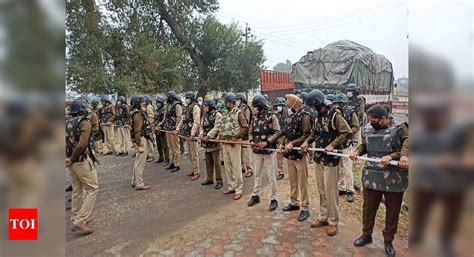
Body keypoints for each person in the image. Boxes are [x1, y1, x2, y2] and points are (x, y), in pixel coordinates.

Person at [350, 105, 408, 257]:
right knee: (368, 207)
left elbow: (407, 145)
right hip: (372, 175)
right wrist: (356, 151)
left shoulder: (400, 128)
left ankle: (388, 240)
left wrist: (395, 157)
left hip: (394, 177)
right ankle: (366, 234)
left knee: (393, 211)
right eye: (370, 120)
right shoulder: (368, 128)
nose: (372, 123)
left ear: (384, 118)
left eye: (375, 120)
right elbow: (364, 144)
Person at [301, 89, 352, 236]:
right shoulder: (317, 116)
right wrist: (306, 142)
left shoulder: (335, 115)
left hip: (331, 159)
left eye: (315, 106)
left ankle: (333, 221)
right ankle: (323, 217)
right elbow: (314, 133)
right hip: (319, 157)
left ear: (320, 103)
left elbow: (346, 132)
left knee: (331, 192)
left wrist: (333, 145)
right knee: (321, 189)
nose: (314, 109)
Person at [66, 99, 99, 234]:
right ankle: (80, 221)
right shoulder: (84, 122)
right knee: (93, 188)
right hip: (80, 160)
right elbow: (82, 143)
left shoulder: (66, 121)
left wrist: (68, 158)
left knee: (77, 190)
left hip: (70, 161)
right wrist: (73, 158)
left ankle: (75, 217)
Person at [279, 94, 311, 222]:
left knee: (303, 182)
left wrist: (293, 143)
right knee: (293, 180)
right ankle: (294, 202)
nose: (286, 104)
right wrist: (282, 143)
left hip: (299, 154)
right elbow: (285, 132)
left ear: (295, 103)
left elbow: (307, 135)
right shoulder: (289, 116)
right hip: (290, 154)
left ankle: (305, 208)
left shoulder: (304, 116)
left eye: (288, 102)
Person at [247, 95, 281, 211]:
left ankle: (274, 199)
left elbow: (277, 132)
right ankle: (255, 195)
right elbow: (250, 131)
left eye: (256, 107)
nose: (255, 109)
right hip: (256, 150)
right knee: (257, 174)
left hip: (268, 151)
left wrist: (267, 142)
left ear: (261, 106)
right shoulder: (254, 117)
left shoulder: (272, 116)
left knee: (271, 176)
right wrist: (251, 141)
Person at [219, 93, 249, 200]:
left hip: (234, 144)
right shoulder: (225, 113)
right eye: (226, 102)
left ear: (232, 102)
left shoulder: (238, 113)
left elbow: (245, 127)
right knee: (227, 166)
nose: (227, 104)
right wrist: (220, 136)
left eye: (228, 102)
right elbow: (222, 126)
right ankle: (231, 186)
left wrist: (236, 136)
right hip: (225, 143)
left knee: (236, 166)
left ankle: (239, 189)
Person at [333, 93, 359, 203]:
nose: (338, 105)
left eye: (340, 103)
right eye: (336, 103)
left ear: (344, 103)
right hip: (337, 143)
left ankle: (350, 190)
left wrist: (348, 135)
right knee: (339, 167)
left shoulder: (350, 112)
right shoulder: (334, 113)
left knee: (347, 168)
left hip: (347, 143)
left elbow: (356, 126)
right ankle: (342, 187)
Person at [130, 95, 154, 191]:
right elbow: (137, 131)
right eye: (142, 101)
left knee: (137, 161)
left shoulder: (136, 112)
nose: (144, 103)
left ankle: (134, 180)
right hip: (141, 139)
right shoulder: (138, 114)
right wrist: (139, 145)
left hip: (141, 139)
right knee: (140, 162)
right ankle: (139, 183)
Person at [199, 99, 224, 189]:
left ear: (210, 105)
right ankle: (209, 178)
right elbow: (201, 126)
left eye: (205, 105)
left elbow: (217, 127)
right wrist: (201, 134)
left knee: (217, 162)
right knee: (208, 162)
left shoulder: (218, 114)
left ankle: (219, 180)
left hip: (214, 143)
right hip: (205, 142)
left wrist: (209, 136)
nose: (204, 107)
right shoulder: (205, 115)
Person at [180, 91, 201, 181]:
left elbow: (196, 121)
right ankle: (193, 168)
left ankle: (197, 171)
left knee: (194, 153)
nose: (186, 99)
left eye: (187, 98)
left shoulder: (195, 107)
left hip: (192, 134)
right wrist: (178, 129)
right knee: (189, 153)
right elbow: (182, 119)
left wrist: (193, 133)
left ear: (192, 98)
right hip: (186, 134)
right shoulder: (186, 107)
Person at [163, 91, 183, 173]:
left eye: (168, 97)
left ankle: (177, 164)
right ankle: (172, 162)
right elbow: (165, 116)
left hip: (174, 129)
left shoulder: (177, 105)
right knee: (170, 147)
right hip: (168, 128)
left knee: (175, 147)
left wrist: (176, 128)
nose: (167, 98)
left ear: (171, 97)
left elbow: (179, 117)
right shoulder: (168, 105)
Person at [236, 93, 254, 178]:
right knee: (241, 152)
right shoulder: (239, 108)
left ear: (241, 100)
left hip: (246, 133)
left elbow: (247, 121)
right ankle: (243, 167)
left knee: (247, 152)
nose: (237, 101)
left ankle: (249, 169)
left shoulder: (246, 108)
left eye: (237, 99)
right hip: (240, 133)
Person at [274, 97, 287, 180]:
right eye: (277, 105)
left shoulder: (288, 115)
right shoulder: (276, 115)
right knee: (279, 155)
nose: (278, 107)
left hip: (288, 137)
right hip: (279, 137)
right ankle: (280, 171)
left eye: (280, 105)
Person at [154, 96, 169, 165]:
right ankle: (161, 157)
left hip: (162, 129)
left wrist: (159, 126)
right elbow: (155, 118)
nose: (157, 103)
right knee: (158, 144)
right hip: (156, 129)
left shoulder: (164, 109)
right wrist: (154, 126)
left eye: (158, 102)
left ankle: (167, 159)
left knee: (165, 145)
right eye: (157, 102)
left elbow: (164, 119)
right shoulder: (157, 109)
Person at [145, 95, 156, 162]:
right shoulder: (147, 106)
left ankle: (152, 155)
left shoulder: (149, 106)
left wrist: (151, 125)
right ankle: (149, 154)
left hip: (149, 125)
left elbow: (151, 116)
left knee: (150, 140)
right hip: (147, 125)